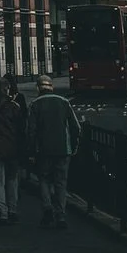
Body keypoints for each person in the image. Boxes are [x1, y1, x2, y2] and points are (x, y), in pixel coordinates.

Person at [27, 74, 82, 229]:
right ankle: (61, 215)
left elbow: (30, 131)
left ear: (38, 88)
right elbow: (76, 128)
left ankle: (47, 208)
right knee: (61, 183)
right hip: (63, 150)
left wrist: (31, 152)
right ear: (52, 87)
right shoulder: (64, 102)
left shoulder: (34, 104)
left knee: (44, 180)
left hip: (43, 150)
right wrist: (73, 147)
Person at [0, 80, 25, 224]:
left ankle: (2, 213)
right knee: (12, 180)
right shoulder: (13, 107)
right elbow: (21, 128)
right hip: (12, 148)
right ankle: (12, 210)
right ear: (6, 90)